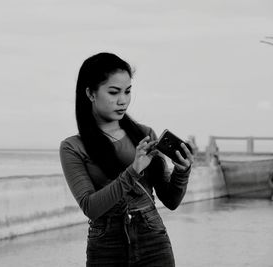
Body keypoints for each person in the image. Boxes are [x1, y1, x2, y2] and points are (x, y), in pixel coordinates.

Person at [59, 52, 193, 266]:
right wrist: (133, 170)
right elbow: (90, 207)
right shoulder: (73, 147)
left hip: (153, 239)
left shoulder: (144, 134)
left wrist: (182, 171)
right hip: (106, 245)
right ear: (90, 93)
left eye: (128, 91)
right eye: (114, 92)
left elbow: (171, 200)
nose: (123, 100)